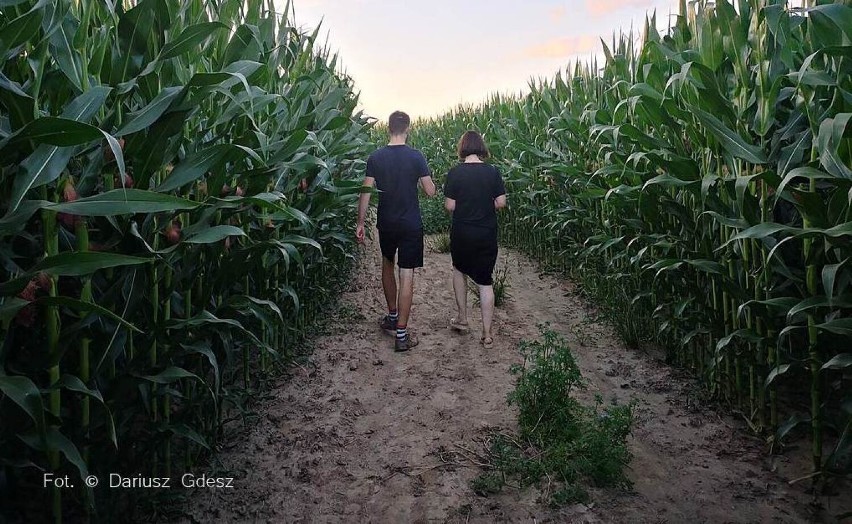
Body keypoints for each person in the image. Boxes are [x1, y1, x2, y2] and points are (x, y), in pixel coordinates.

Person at [356, 111, 436, 352]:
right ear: (408, 129)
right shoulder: (416, 156)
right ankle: (401, 334)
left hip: (387, 222)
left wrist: (360, 222)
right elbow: (430, 191)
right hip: (410, 222)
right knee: (407, 274)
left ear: (388, 129)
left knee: (387, 264)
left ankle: (392, 316)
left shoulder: (376, 157)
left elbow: (366, 191)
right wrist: (429, 182)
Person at [443, 130, 507, 348]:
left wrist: (465, 205)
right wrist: (483, 204)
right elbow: (501, 202)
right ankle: (487, 334)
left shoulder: (455, 172)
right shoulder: (492, 172)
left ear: (462, 148)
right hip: (486, 232)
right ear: (481, 147)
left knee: (459, 270)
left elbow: (450, 206)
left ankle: (462, 318)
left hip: (462, 232)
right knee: (485, 280)